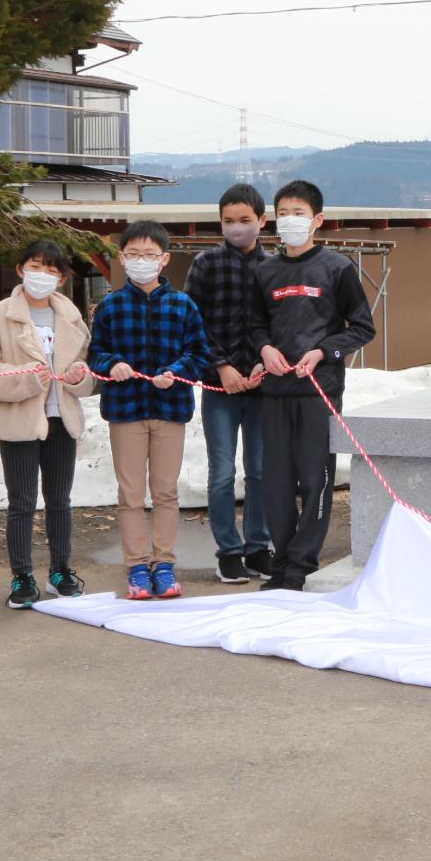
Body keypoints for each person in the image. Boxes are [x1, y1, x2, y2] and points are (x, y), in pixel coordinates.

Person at [245, 180, 376, 592]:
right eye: (283, 212)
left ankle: (302, 564)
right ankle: (281, 563)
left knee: (314, 480)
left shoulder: (337, 269)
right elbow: (252, 325)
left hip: (319, 393)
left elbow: (362, 327)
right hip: (274, 395)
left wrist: (323, 352)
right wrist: (264, 349)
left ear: (317, 220)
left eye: (298, 213)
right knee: (276, 482)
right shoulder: (264, 271)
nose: (290, 220)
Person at [0, 239, 100, 609]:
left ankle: (61, 570)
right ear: (21, 270)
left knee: (60, 500)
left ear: (61, 278)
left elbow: (89, 370)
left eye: (52, 270)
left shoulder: (70, 316)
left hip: (62, 418)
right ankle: (22, 576)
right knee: (21, 502)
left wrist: (80, 378)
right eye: (36, 266)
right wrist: (25, 377)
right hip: (19, 421)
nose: (44, 275)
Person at [87, 220, 211, 602]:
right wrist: (112, 365)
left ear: (164, 259)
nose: (142, 261)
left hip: (170, 408)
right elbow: (95, 353)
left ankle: (165, 564)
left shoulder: (183, 304)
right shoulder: (109, 306)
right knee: (130, 493)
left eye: (150, 255)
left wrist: (177, 372)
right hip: (125, 410)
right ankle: (137, 566)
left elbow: (199, 354)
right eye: (134, 255)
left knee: (166, 492)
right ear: (123, 258)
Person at [185, 183, 273, 584]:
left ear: (262, 221)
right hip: (218, 387)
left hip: (261, 386)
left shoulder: (274, 266)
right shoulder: (205, 263)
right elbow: (193, 323)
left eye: (244, 220)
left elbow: (277, 327)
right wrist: (221, 366)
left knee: (259, 470)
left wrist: (260, 365)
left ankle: (259, 546)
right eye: (228, 221)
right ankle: (228, 551)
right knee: (222, 471)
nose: (236, 228)